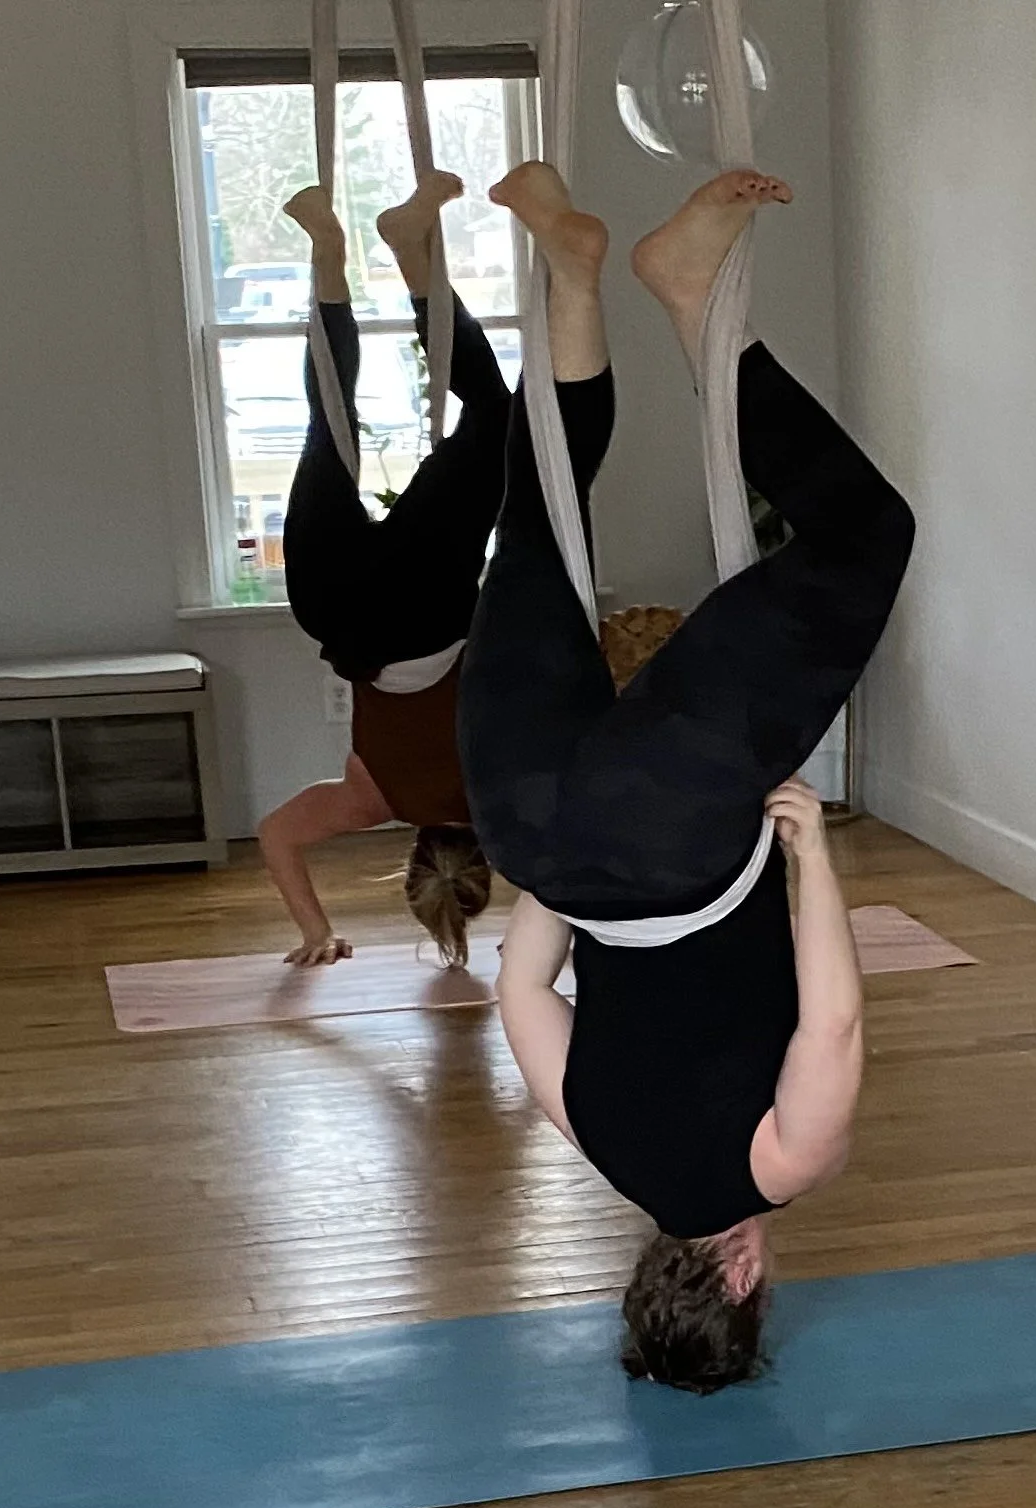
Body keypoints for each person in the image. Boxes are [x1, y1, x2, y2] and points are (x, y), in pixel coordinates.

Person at [460, 165, 915, 1395]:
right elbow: (517, 989)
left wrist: (810, 855)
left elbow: (835, 1017)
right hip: (525, 819)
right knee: (540, 519)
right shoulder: (592, 1137)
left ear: (744, 1279)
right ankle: (569, 274)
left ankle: (690, 293)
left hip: (669, 832)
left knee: (864, 536)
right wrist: (565, 851)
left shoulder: (781, 1162)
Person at [261, 177, 506, 972]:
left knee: (496, 420)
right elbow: (279, 835)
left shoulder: (510, 795)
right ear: (412, 864)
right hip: (333, 608)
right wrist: (312, 930)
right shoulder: (374, 801)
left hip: (426, 607)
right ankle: (329, 253)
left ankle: (408, 252)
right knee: (329, 419)